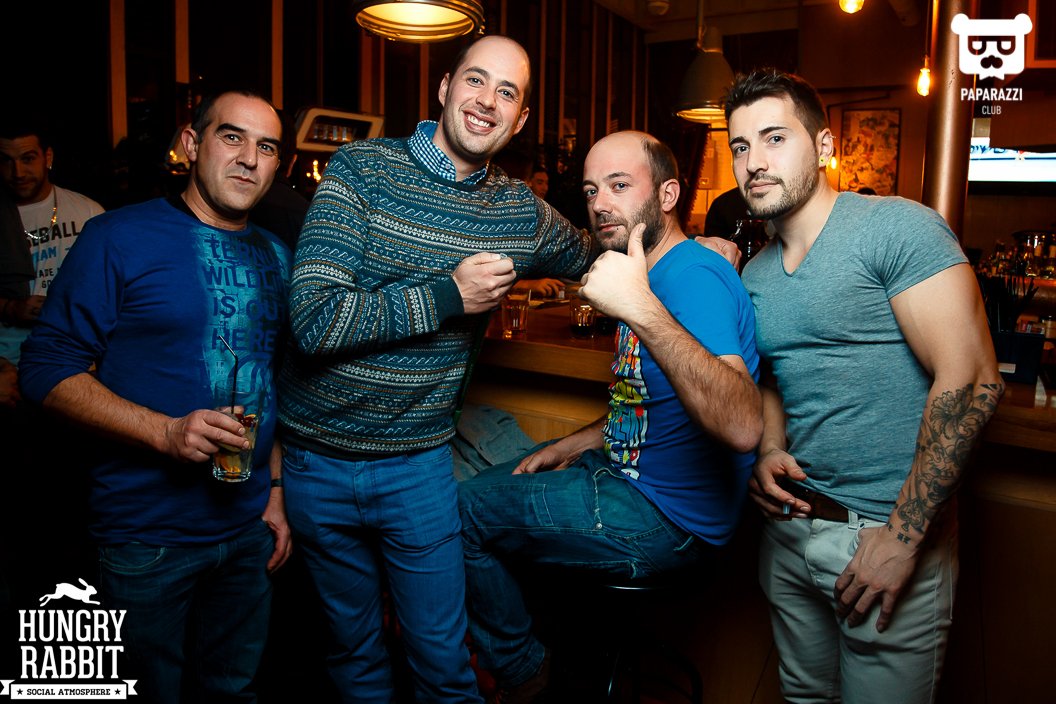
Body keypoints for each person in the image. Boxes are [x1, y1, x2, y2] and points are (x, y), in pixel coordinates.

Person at [276, 35, 599, 703]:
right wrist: (449, 295)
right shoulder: (362, 169)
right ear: (446, 87)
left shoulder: (518, 211)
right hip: (317, 462)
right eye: (475, 81)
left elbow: (597, 253)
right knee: (353, 654)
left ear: (520, 119)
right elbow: (312, 319)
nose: (487, 101)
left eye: (506, 92)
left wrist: (691, 248)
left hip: (417, 466)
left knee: (442, 662)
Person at [726, 68, 1004, 704]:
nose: (754, 161)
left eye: (774, 138)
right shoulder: (756, 273)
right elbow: (776, 377)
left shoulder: (896, 229)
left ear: (824, 146)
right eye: (741, 146)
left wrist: (903, 539)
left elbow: (973, 381)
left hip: (882, 537)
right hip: (790, 531)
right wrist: (769, 449)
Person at [458, 130, 762, 703]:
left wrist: (639, 305)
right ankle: (561, 652)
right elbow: (647, 404)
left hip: (667, 518)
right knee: (487, 478)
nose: (600, 203)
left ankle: (525, 675)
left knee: (461, 512)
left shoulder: (691, 276)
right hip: (623, 477)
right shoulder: (637, 269)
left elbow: (743, 425)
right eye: (592, 189)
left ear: (668, 195)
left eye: (620, 185)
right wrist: (569, 444)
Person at [18, 89, 294, 704]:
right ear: (192, 144)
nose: (249, 158)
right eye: (231, 137)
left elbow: (268, 382)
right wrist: (164, 432)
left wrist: (275, 493)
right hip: (146, 535)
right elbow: (44, 370)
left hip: (248, 529)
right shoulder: (118, 236)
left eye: (267, 146)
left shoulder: (279, 257)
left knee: (234, 691)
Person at [0, 119, 105, 365]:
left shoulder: (88, 212)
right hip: (8, 361)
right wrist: (10, 308)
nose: (18, 172)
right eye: (6, 161)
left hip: (75, 354)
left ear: (47, 157)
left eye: (27, 159)